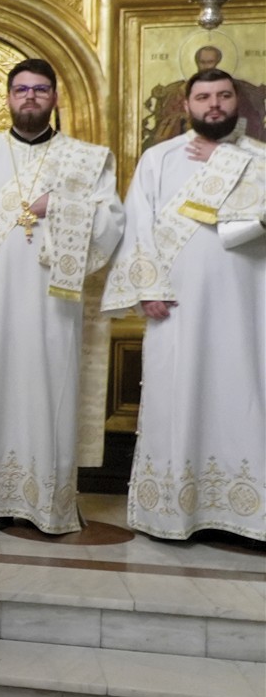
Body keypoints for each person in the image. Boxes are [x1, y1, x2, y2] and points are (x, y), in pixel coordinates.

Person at [0, 59, 124, 534]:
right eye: (21, 89)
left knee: (49, 391)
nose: (31, 97)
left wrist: (59, 204)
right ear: (8, 97)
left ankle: (47, 504)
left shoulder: (85, 158)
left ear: (55, 98)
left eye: (40, 89)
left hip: (54, 300)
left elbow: (111, 222)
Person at [104, 68, 265, 542]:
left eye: (223, 95)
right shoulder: (160, 159)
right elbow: (138, 225)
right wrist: (148, 287)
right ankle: (174, 514)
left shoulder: (259, 158)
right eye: (203, 97)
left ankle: (246, 517)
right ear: (188, 104)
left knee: (244, 396)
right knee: (179, 397)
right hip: (177, 307)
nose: (214, 104)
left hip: (247, 308)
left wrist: (225, 162)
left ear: (237, 101)